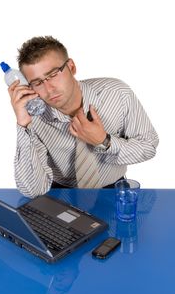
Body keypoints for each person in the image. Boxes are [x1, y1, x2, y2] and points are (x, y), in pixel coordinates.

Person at [8, 36, 159, 197]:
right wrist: (23, 124)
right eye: (37, 82)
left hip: (113, 191)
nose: (49, 88)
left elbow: (148, 147)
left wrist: (104, 141)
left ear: (71, 67)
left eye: (53, 74)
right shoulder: (34, 117)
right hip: (61, 195)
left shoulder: (117, 94)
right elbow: (32, 191)